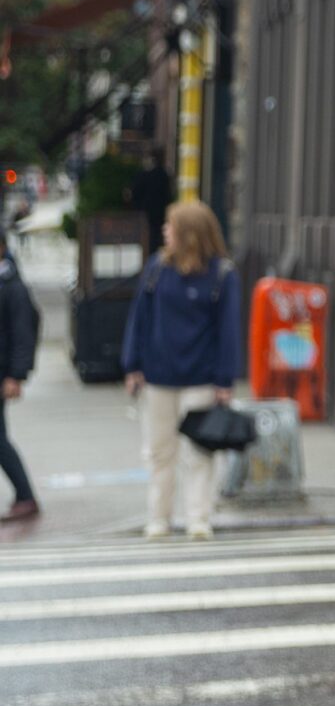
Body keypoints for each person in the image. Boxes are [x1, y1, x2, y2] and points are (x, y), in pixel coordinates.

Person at [121, 200, 242, 540]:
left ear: (188, 233)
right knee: (160, 452)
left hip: (201, 377)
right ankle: (159, 519)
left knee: (199, 452)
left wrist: (224, 379)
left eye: (170, 226)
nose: (165, 231)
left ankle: (198, 519)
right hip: (158, 376)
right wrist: (132, 366)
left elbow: (228, 330)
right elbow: (139, 319)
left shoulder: (222, 274)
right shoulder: (157, 269)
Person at [0, 233, 39, 523]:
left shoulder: (13, 287)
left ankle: (25, 496)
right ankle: (24, 496)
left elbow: (23, 333)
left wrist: (16, 375)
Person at [129, 152, 174, 249]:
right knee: (158, 234)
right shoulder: (163, 174)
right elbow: (168, 194)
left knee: (149, 236)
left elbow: (135, 193)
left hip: (146, 212)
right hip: (160, 211)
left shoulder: (142, 175)